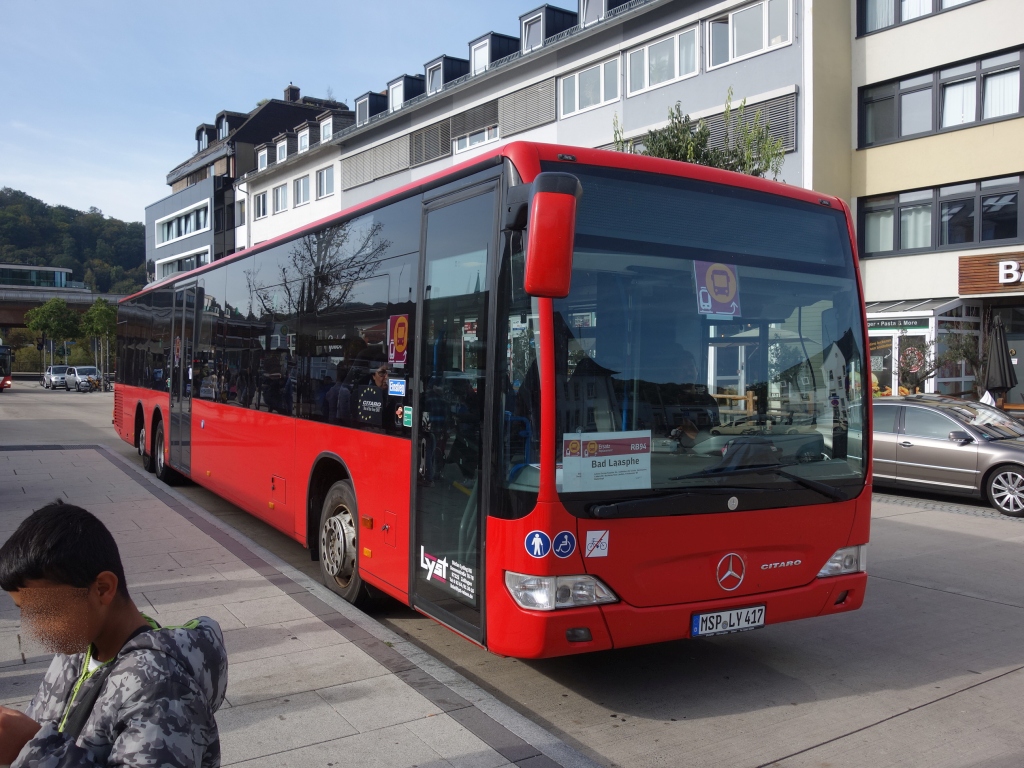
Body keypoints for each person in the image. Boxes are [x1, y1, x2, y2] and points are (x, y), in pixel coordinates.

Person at [0, 501, 227, 767]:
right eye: (25, 612)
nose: (34, 628)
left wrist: (31, 750)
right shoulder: (77, 650)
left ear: (103, 589)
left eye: (45, 611)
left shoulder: (162, 686)